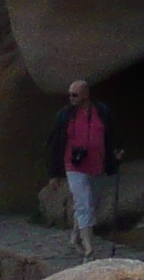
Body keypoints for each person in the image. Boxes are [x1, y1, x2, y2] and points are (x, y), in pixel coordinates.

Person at [46, 79, 119, 258]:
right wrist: (54, 174)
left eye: (75, 94)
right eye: (70, 94)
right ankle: (89, 247)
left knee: (91, 203)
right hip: (74, 165)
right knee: (84, 203)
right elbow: (54, 144)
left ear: (86, 95)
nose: (71, 98)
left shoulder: (101, 112)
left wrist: (116, 152)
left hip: (97, 164)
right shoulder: (64, 116)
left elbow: (112, 134)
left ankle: (76, 236)